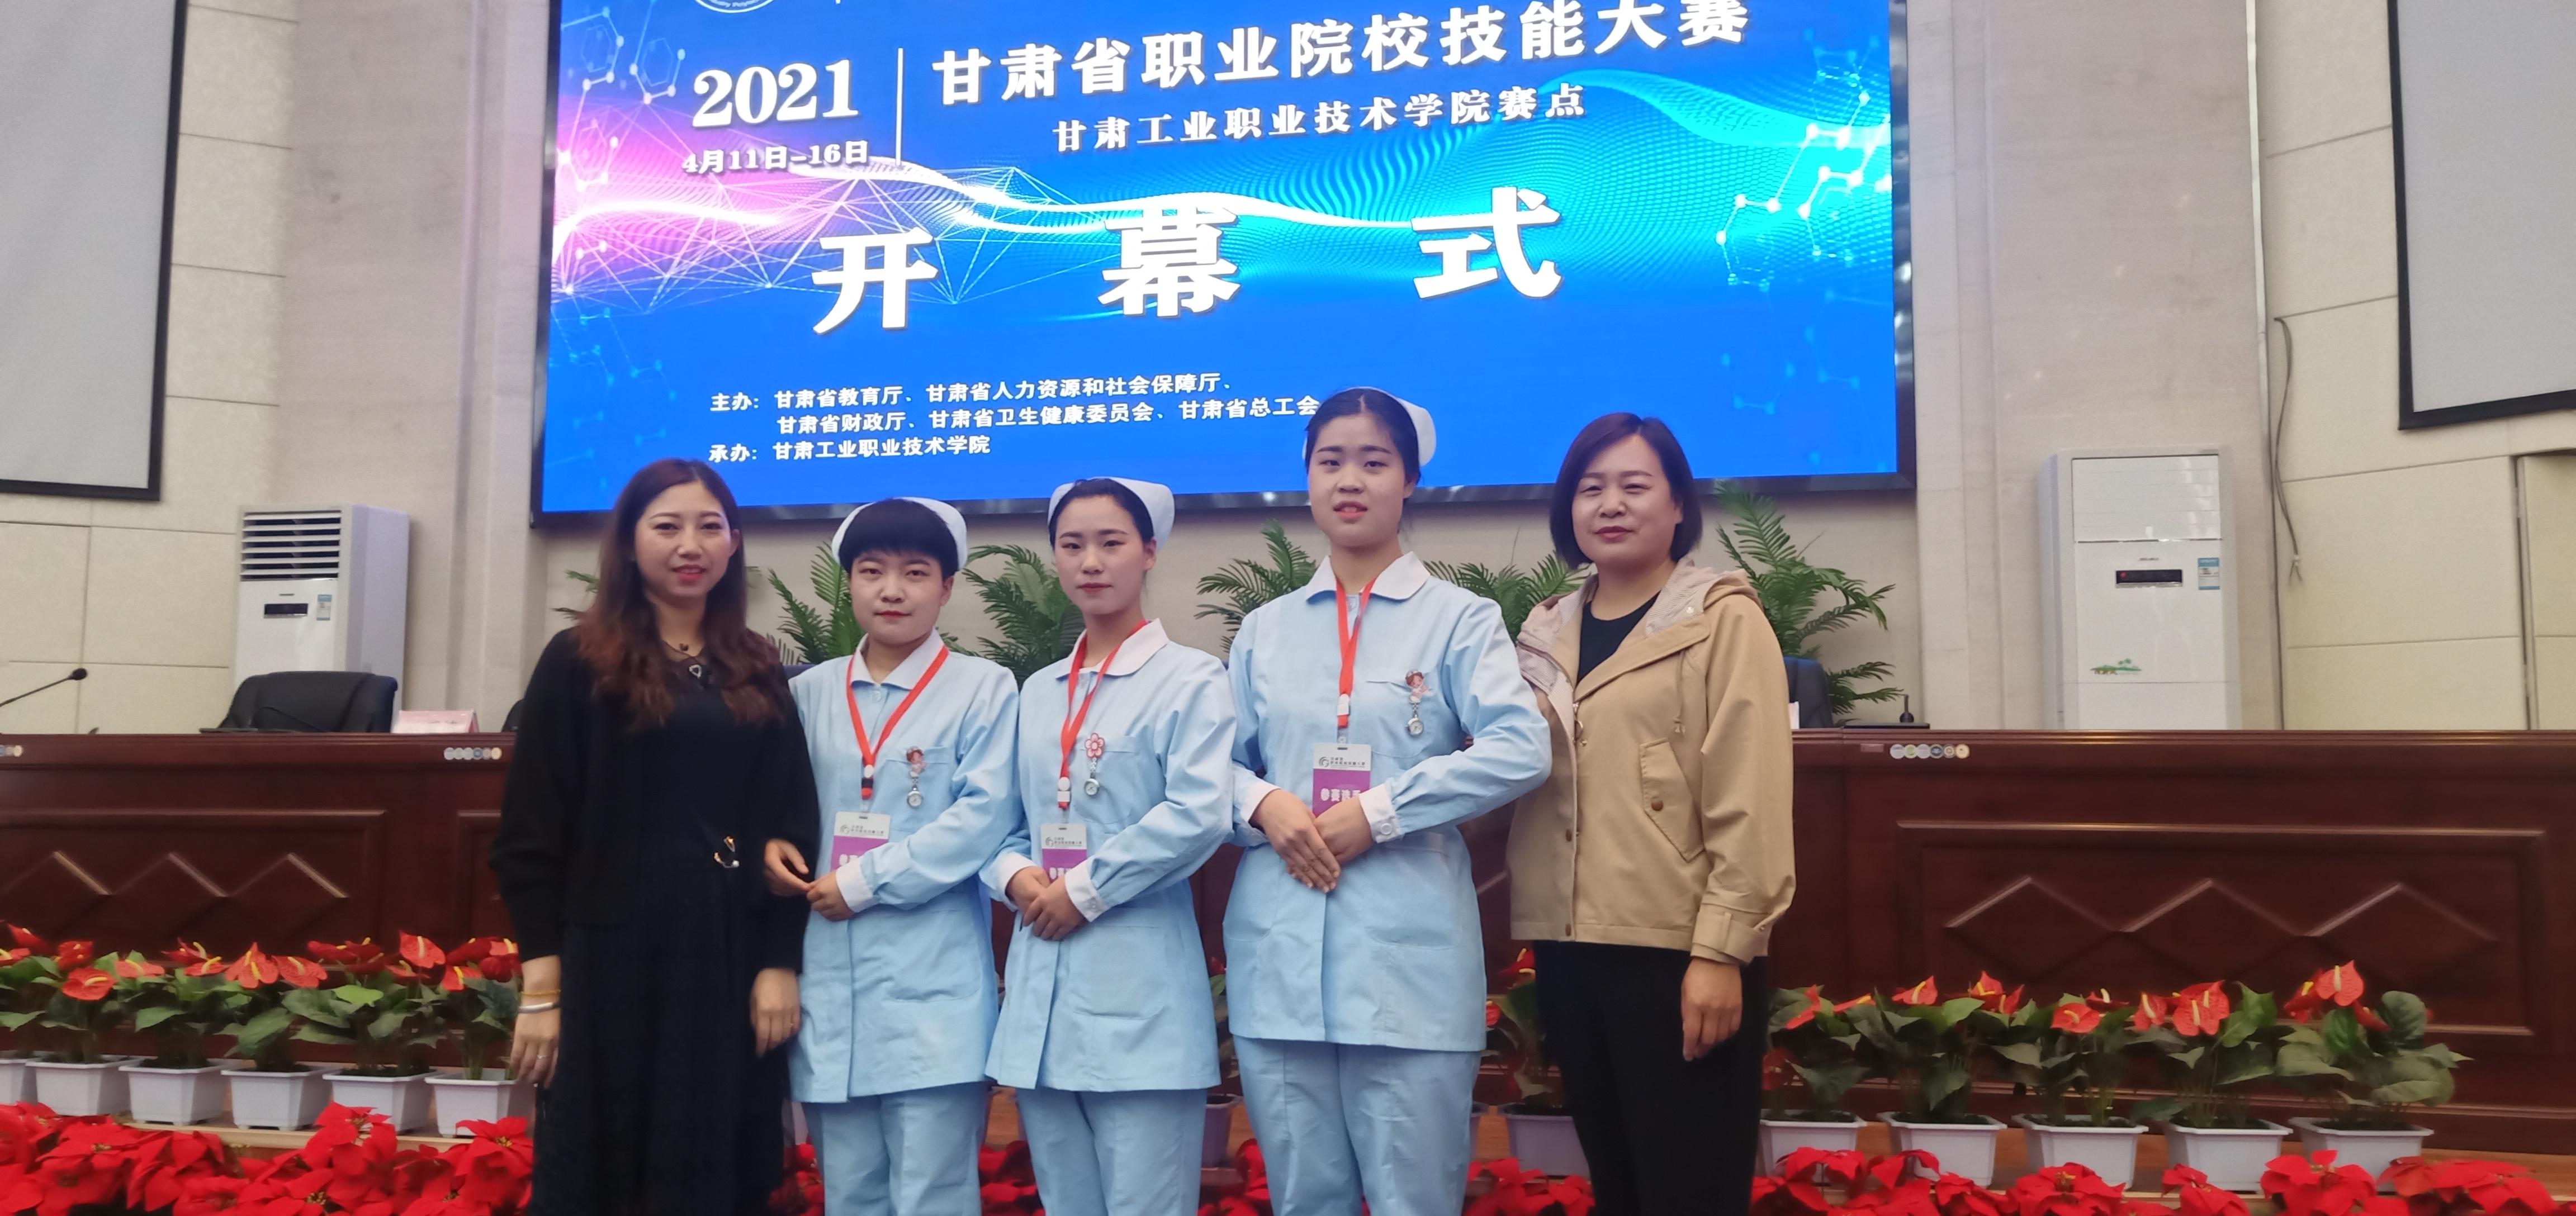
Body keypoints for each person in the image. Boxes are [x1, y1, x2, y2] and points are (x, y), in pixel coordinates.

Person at [1222, 389, 1551, 1216]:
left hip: (1407, 964)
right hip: (1280, 954)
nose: (1350, 480)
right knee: (1305, 1198)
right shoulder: (1265, 630)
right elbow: (1207, 769)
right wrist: (1262, 804)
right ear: (1307, 477)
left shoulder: (1459, 621)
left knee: (1415, 1200)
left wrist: (1382, 812)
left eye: (1374, 462)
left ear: (1410, 481)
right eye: (1330, 461)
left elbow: (1521, 747)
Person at [490, 457, 820, 1216]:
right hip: (611, 952)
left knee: (715, 1164)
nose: (690, 545)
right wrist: (543, 991)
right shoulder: (578, 660)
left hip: (725, 950)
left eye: (710, 527)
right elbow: (530, 837)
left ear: (734, 542)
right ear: (630, 543)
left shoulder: (757, 665)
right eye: (667, 526)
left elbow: (791, 824)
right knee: (602, 1165)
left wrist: (778, 962)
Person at [1507, 413, 1794, 1216]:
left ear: (1677, 506)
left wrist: (1722, 953)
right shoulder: (1545, 630)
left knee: (1688, 1187)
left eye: (1634, 486)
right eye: (1590, 488)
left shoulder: (1723, 619)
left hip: (1679, 950)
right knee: (1620, 1182)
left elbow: (1752, 795)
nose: (1610, 504)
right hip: (1570, 945)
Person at [981, 477, 1235, 1216]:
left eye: (1111, 542)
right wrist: (1017, 876)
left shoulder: (1190, 678)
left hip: (1140, 997)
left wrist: (1084, 890)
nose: (1091, 561)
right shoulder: (1038, 690)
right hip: (1042, 993)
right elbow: (997, 823)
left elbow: (1198, 812)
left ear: (1149, 552)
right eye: (1072, 545)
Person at [763, 497, 1021, 1216]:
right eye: (872, 571)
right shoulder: (806, 693)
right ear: (849, 583)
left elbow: (984, 817)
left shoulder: (984, 688)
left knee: (934, 1194)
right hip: (828, 990)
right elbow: (773, 805)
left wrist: (867, 880)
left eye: (915, 572)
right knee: (850, 1193)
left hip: (932, 990)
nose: (892, 590)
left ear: (947, 586)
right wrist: (767, 847)